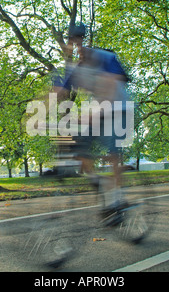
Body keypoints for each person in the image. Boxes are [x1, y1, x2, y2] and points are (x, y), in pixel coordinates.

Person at [52, 23, 132, 226]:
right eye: (72, 43)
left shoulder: (104, 57)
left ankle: (117, 202)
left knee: (113, 153)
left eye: (78, 42)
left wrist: (92, 114)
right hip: (100, 110)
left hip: (120, 108)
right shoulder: (75, 70)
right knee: (77, 145)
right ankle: (97, 183)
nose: (76, 48)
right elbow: (60, 92)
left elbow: (112, 85)